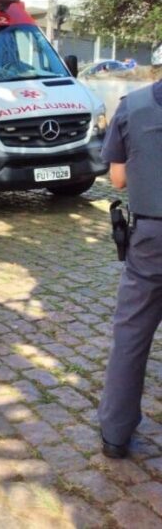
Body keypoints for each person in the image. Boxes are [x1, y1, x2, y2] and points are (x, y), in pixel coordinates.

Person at [97, 79, 162, 459]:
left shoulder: (133, 106)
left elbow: (118, 179)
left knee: (131, 337)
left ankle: (115, 435)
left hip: (151, 238)